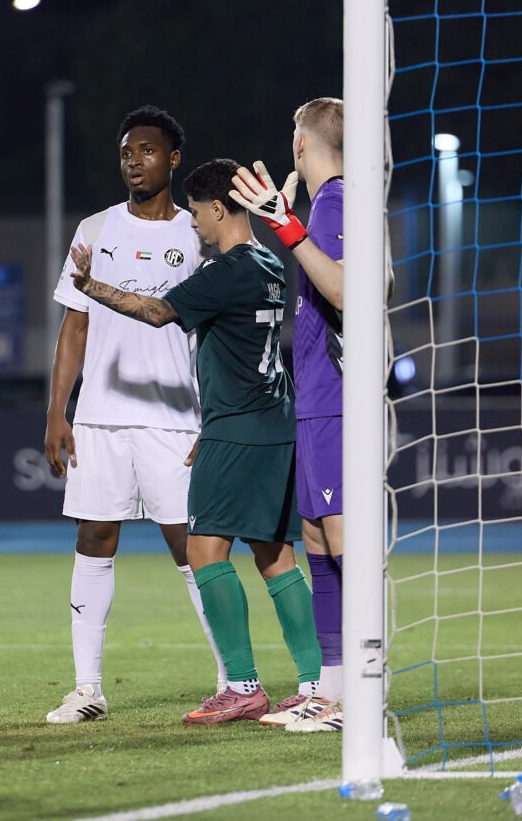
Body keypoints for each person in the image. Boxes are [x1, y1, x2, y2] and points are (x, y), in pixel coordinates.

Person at [69, 158, 321, 725]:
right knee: (276, 557)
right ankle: (312, 683)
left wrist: (90, 286)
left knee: (204, 551)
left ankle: (242, 685)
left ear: (218, 209)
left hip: (234, 429)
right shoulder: (270, 263)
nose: (194, 224)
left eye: (198, 214)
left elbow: (157, 311)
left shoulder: (225, 271)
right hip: (276, 423)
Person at [44, 105, 226, 725]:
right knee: (93, 539)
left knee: (192, 547)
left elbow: (218, 332)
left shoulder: (197, 235)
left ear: (173, 160)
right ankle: (87, 689)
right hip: (100, 417)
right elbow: (74, 325)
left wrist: (214, 414)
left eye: (147, 151)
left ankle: (232, 680)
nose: (134, 161)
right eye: (126, 152)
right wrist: (58, 412)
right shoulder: (96, 228)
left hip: (174, 418)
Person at [230, 96, 345, 733]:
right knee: (318, 542)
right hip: (317, 401)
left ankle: (359, 690)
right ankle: (330, 692)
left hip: (337, 401)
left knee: (344, 547)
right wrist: (289, 221)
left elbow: (348, 289)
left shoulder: (338, 200)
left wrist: (287, 225)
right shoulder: (325, 203)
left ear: (301, 144)